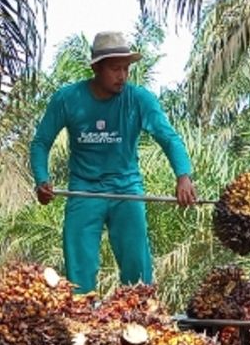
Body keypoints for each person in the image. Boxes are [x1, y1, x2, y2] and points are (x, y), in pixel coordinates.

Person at [29, 31, 196, 294]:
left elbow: (169, 138)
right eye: (115, 69)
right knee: (79, 269)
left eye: (126, 69)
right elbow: (41, 143)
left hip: (126, 190)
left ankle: (141, 313)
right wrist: (42, 179)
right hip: (84, 190)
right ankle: (81, 316)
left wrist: (183, 176)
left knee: (137, 269)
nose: (122, 76)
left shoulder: (139, 99)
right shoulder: (67, 99)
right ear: (96, 68)